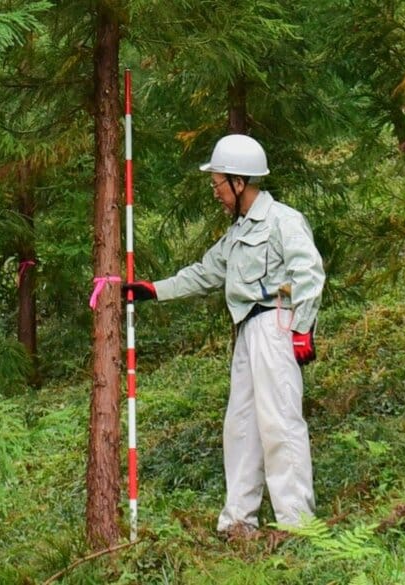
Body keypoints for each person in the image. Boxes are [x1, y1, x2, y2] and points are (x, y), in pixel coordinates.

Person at [123, 134, 325, 536]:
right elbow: (204, 273)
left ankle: (298, 523)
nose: (215, 192)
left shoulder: (283, 220)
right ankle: (238, 520)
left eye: (218, 184)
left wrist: (303, 329)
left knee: (280, 422)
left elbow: (309, 273)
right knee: (242, 426)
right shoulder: (235, 235)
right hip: (248, 331)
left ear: (238, 181)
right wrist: (154, 290)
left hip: (276, 325)